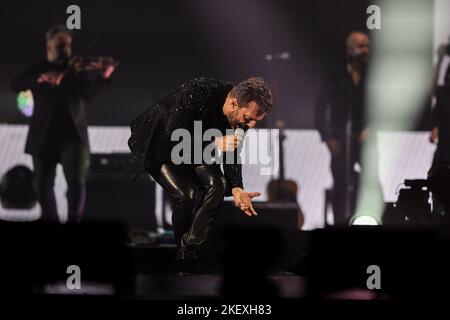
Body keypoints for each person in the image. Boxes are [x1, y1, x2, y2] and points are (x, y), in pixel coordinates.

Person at [128, 77, 272, 271]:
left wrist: (237, 188)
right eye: (249, 119)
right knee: (186, 194)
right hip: (159, 143)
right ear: (234, 103)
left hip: (196, 147)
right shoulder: (199, 92)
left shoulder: (239, 121)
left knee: (218, 185)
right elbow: (174, 136)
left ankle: (188, 251)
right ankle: (185, 257)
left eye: (256, 121)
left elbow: (232, 153)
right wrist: (214, 143)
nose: (251, 125)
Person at [10, 25, 116, 223]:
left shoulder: (77, 70)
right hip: (43, 135)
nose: (65, 49)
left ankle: (74, 221)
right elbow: (15, 84)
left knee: (76, 182)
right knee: (42, 184)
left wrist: (105, 75)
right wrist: (41, 77)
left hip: (73, 136)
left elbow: (88, 94)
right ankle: (49, 220)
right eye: (60, 44)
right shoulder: (38, 69)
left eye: (67, 45)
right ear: (49, 45)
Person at [314, 31, 369, 225]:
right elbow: (320, 107)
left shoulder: (371, 74)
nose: (365, 51)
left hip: (365, 139)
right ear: (349, 49)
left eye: (367, 46)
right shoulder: (335, 73)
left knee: (370, 182)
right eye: (361, 46)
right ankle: (339, 224)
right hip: (340, 138)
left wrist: (370, 128)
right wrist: (327, 137)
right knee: (340, 186)